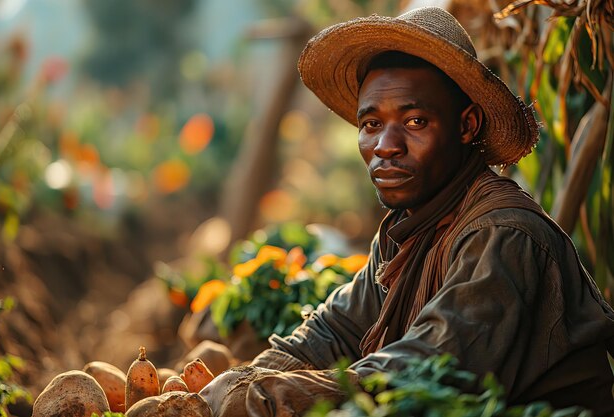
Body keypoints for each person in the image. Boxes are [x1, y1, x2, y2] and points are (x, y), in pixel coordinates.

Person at [200, 6, 614, 416]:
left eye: (415, 121)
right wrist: (240, 382)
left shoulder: (505, 236)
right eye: (371, 125)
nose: (385, 146)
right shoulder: (408, 229)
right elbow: (334, 330)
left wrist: (269, 398)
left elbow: (425, 369)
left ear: (466, 126)